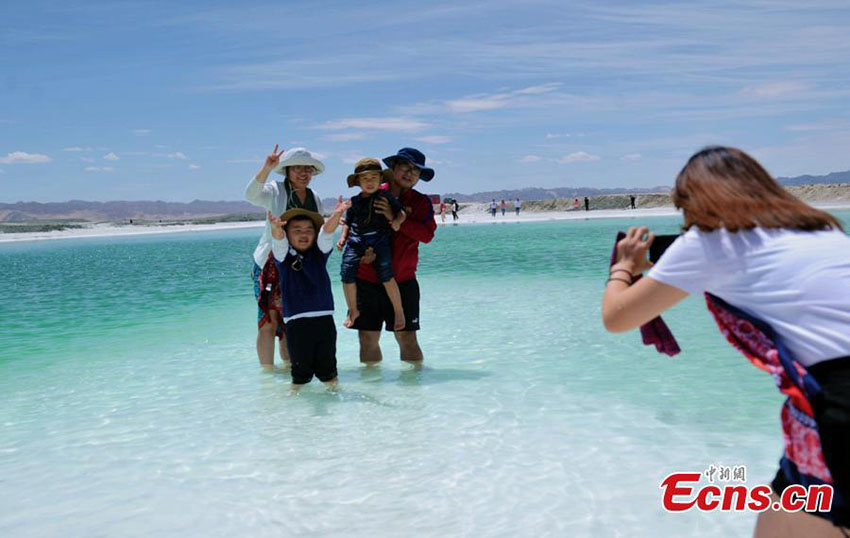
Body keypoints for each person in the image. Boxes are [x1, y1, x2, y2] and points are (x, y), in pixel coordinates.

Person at [603, 146, 850, 536]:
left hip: (838, 404)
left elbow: (617, 317)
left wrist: (624, 266)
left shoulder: (707, 243)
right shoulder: (820, 228)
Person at [352, 147, 436, 364]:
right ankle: (372, 394)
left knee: (407, 337)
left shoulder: (420, 202)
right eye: (405, 168)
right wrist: (362, 254)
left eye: (415, 171)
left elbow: (427, 235)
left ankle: (414, 392)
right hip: (368, 279)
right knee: (367, 338)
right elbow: (355, 230)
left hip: (403, 281)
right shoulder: (368, 193)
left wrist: (397, 219)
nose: (409, 174)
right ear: (393, 168)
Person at [245, 146, 324, 368]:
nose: (303, 173)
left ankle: (291, 369)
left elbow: (315, 233)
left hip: (298, 266)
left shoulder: (314, 197)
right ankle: (268, 376)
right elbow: (251, 195)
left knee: (292, 320)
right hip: (270, 263)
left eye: (307, 169)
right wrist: (266, 169)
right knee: (268, 321)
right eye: (297, 168)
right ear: (287, 171)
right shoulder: (275, 190)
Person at [268, 202, 345, 390]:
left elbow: (327, 233)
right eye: (297, 230)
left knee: (329, 372)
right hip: (297, 323)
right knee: (300, 375)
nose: (304, 234)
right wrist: (276, 229)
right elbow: (278, 241)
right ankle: (296, 409)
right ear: (288, 234)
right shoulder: (283, 258)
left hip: (324, 320)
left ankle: (336, 403)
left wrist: (337, 214)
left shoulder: (319, 254)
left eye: (309, 230)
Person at [337, 158, 407, 331]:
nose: (370, 182)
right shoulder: (354, 201)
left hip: (379, 240)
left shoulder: (386, 196)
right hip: (355, 241)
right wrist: (342, 239)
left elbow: (402, 212)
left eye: (374, 178)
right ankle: (353, 311)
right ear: (358, 182)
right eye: (365, 178)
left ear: (381, 179)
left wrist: (397, 221)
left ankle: (399, 312)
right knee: (346, 274)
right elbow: (347, 222)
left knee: (386, 276)